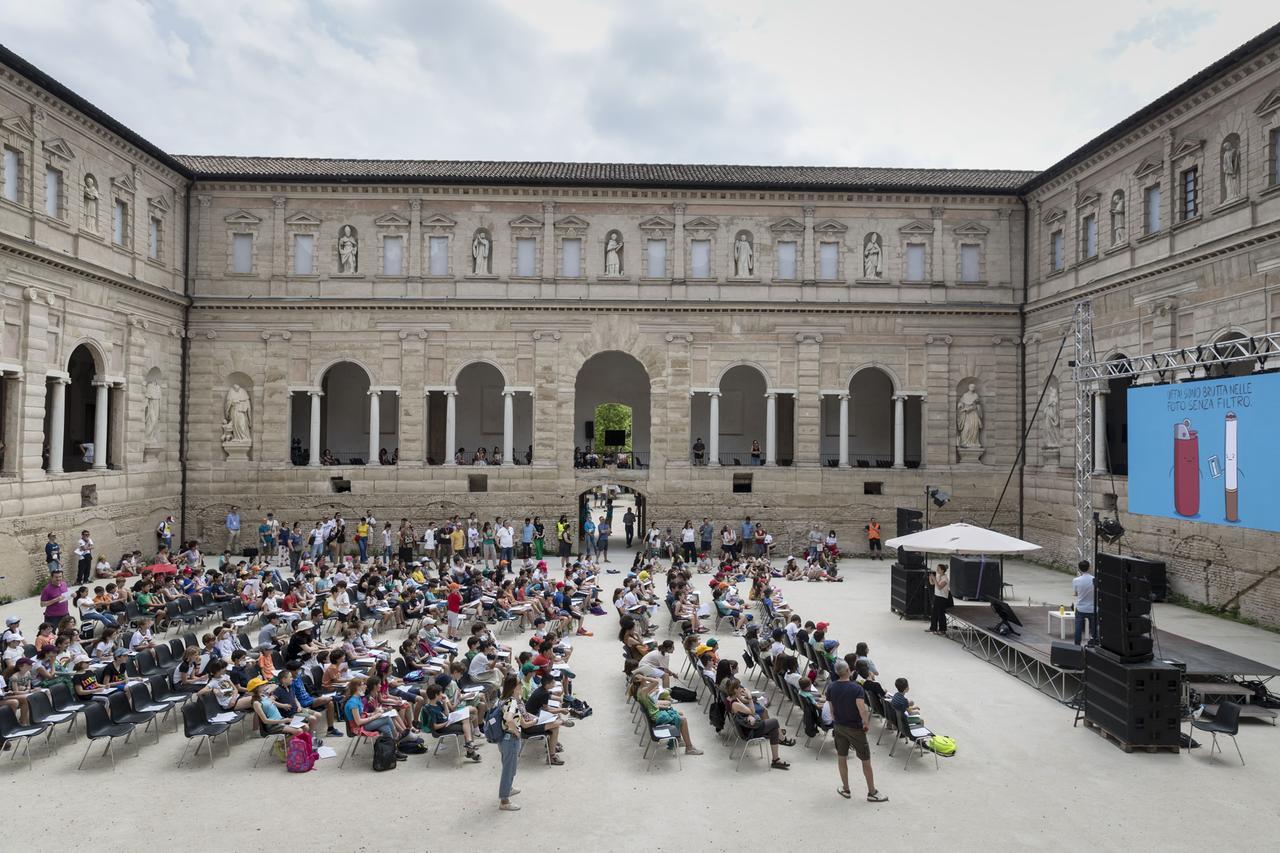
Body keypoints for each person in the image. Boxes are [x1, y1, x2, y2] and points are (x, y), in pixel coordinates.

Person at [827, 660, 887, 803]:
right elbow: (862, 709)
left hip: (839, 726)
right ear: (848, 670)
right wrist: (866, 723)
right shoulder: (856, 688)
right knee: (865, 760)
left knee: (842, 757)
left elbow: (831, 710)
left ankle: (846, 789)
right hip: (855, 727)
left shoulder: (831, 687)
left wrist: (837, 722)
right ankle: (871, 792)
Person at [497, 673, 522, 811]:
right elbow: (509, 719)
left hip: (502, 739)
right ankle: (504, 800)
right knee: (508, 769)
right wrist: (516, 731)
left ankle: (509, 788)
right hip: (510, 738)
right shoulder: (511, 702)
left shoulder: (501, 699)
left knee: (509, 766)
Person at [1073, 559, 1097, 646]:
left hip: (1081, 608)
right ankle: (1095, 643)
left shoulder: (1076, 580)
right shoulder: (1094, 579)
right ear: (1089, 568)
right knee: (1094, 628)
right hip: (1092, 608)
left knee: (1078, 628)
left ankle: (1077, 645)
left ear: (1079, 569)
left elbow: (1075, 593)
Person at [928, 563, 951, 634]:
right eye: (937, 568)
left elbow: (939, 587)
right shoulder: (938, 575)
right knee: (934, 613)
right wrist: (930, 577)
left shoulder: (945, 579)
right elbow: (932, 583)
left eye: (938, 569)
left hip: (942, 598)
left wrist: (934, 579)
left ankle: (942, 629)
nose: (937, 570)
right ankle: (933, 628)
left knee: (940, 613)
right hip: (936, 596)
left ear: (942, 570)